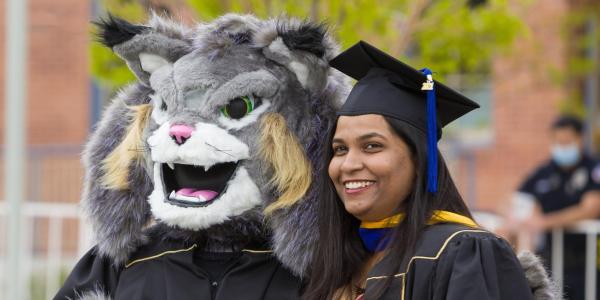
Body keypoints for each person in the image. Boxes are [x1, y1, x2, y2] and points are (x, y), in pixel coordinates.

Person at [303, 41, 550, 300]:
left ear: (420, 160)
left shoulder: (463, 252)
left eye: (372, 146)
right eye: (340, 149)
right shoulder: (336, 262)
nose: (349, 164)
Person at [515, 115, 600, 299]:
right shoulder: (545, 171)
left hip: (588, 263)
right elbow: (518, 199)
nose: (562, 146)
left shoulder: (594, 168)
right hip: (551, 261)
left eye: (567, 141)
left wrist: (545, 222)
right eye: (557, 141)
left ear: (580, 139)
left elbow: (591, 208)